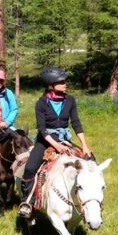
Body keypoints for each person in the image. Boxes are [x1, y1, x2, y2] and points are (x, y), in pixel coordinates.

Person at [18, 66, 92, 219]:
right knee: (30, 168)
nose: (65, 84)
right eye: (61, 82)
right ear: (51, 85)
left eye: (65, 81)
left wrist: (84, 145)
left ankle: (89, 203)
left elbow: (76, 123)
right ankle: (28, 203)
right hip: (45, 141)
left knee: (90, 162)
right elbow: (42, 129)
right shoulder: (41, 103)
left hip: (65, 139)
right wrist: (56, 145)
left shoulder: (70, 100)